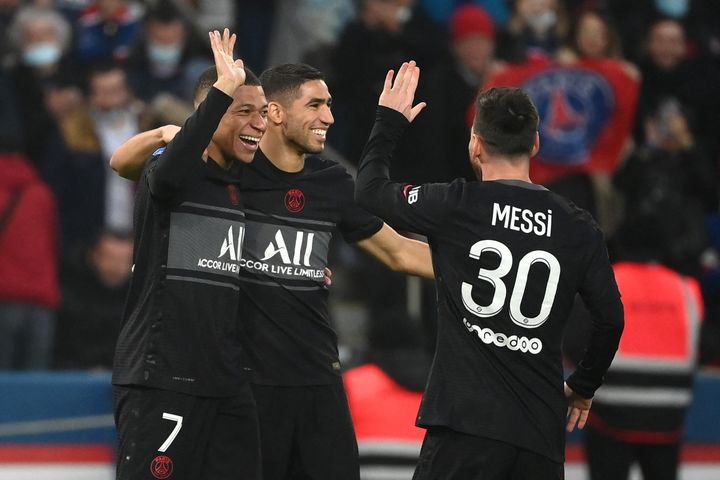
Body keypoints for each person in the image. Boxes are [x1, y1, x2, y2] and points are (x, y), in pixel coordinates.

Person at [110, 62, 435, 479]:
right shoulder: (230, 174)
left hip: (317, 380)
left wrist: (468, 267)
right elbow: (127, 165)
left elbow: (400, 254)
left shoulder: (331, 183)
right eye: (316, 104)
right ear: (277, 114)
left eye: (330, 105)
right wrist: (169, 133)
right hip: (246, 383)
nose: (329, 117)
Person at [355, 62, 625, 479]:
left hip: (466, 427)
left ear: (475, 145)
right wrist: (583, 386)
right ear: (535, 144)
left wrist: (388, 122)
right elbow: (610, 319)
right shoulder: (577, 226)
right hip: (539, 436)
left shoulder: (456, 204)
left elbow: (370, 192)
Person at [112, 29, 264, 480]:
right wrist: (220, 90)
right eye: (244, 112)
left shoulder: (240, 184)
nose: (258, 123)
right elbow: (158, 174)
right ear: (210, 113)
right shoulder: (172, 169)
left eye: (262, 114)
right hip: (162, 378)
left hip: (225, 382)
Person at [565, 202, 703, 480]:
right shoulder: (687, 289)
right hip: (668, 416)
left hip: (611, 414)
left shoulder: (606, 281)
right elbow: (703, 347)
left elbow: (574, 343)